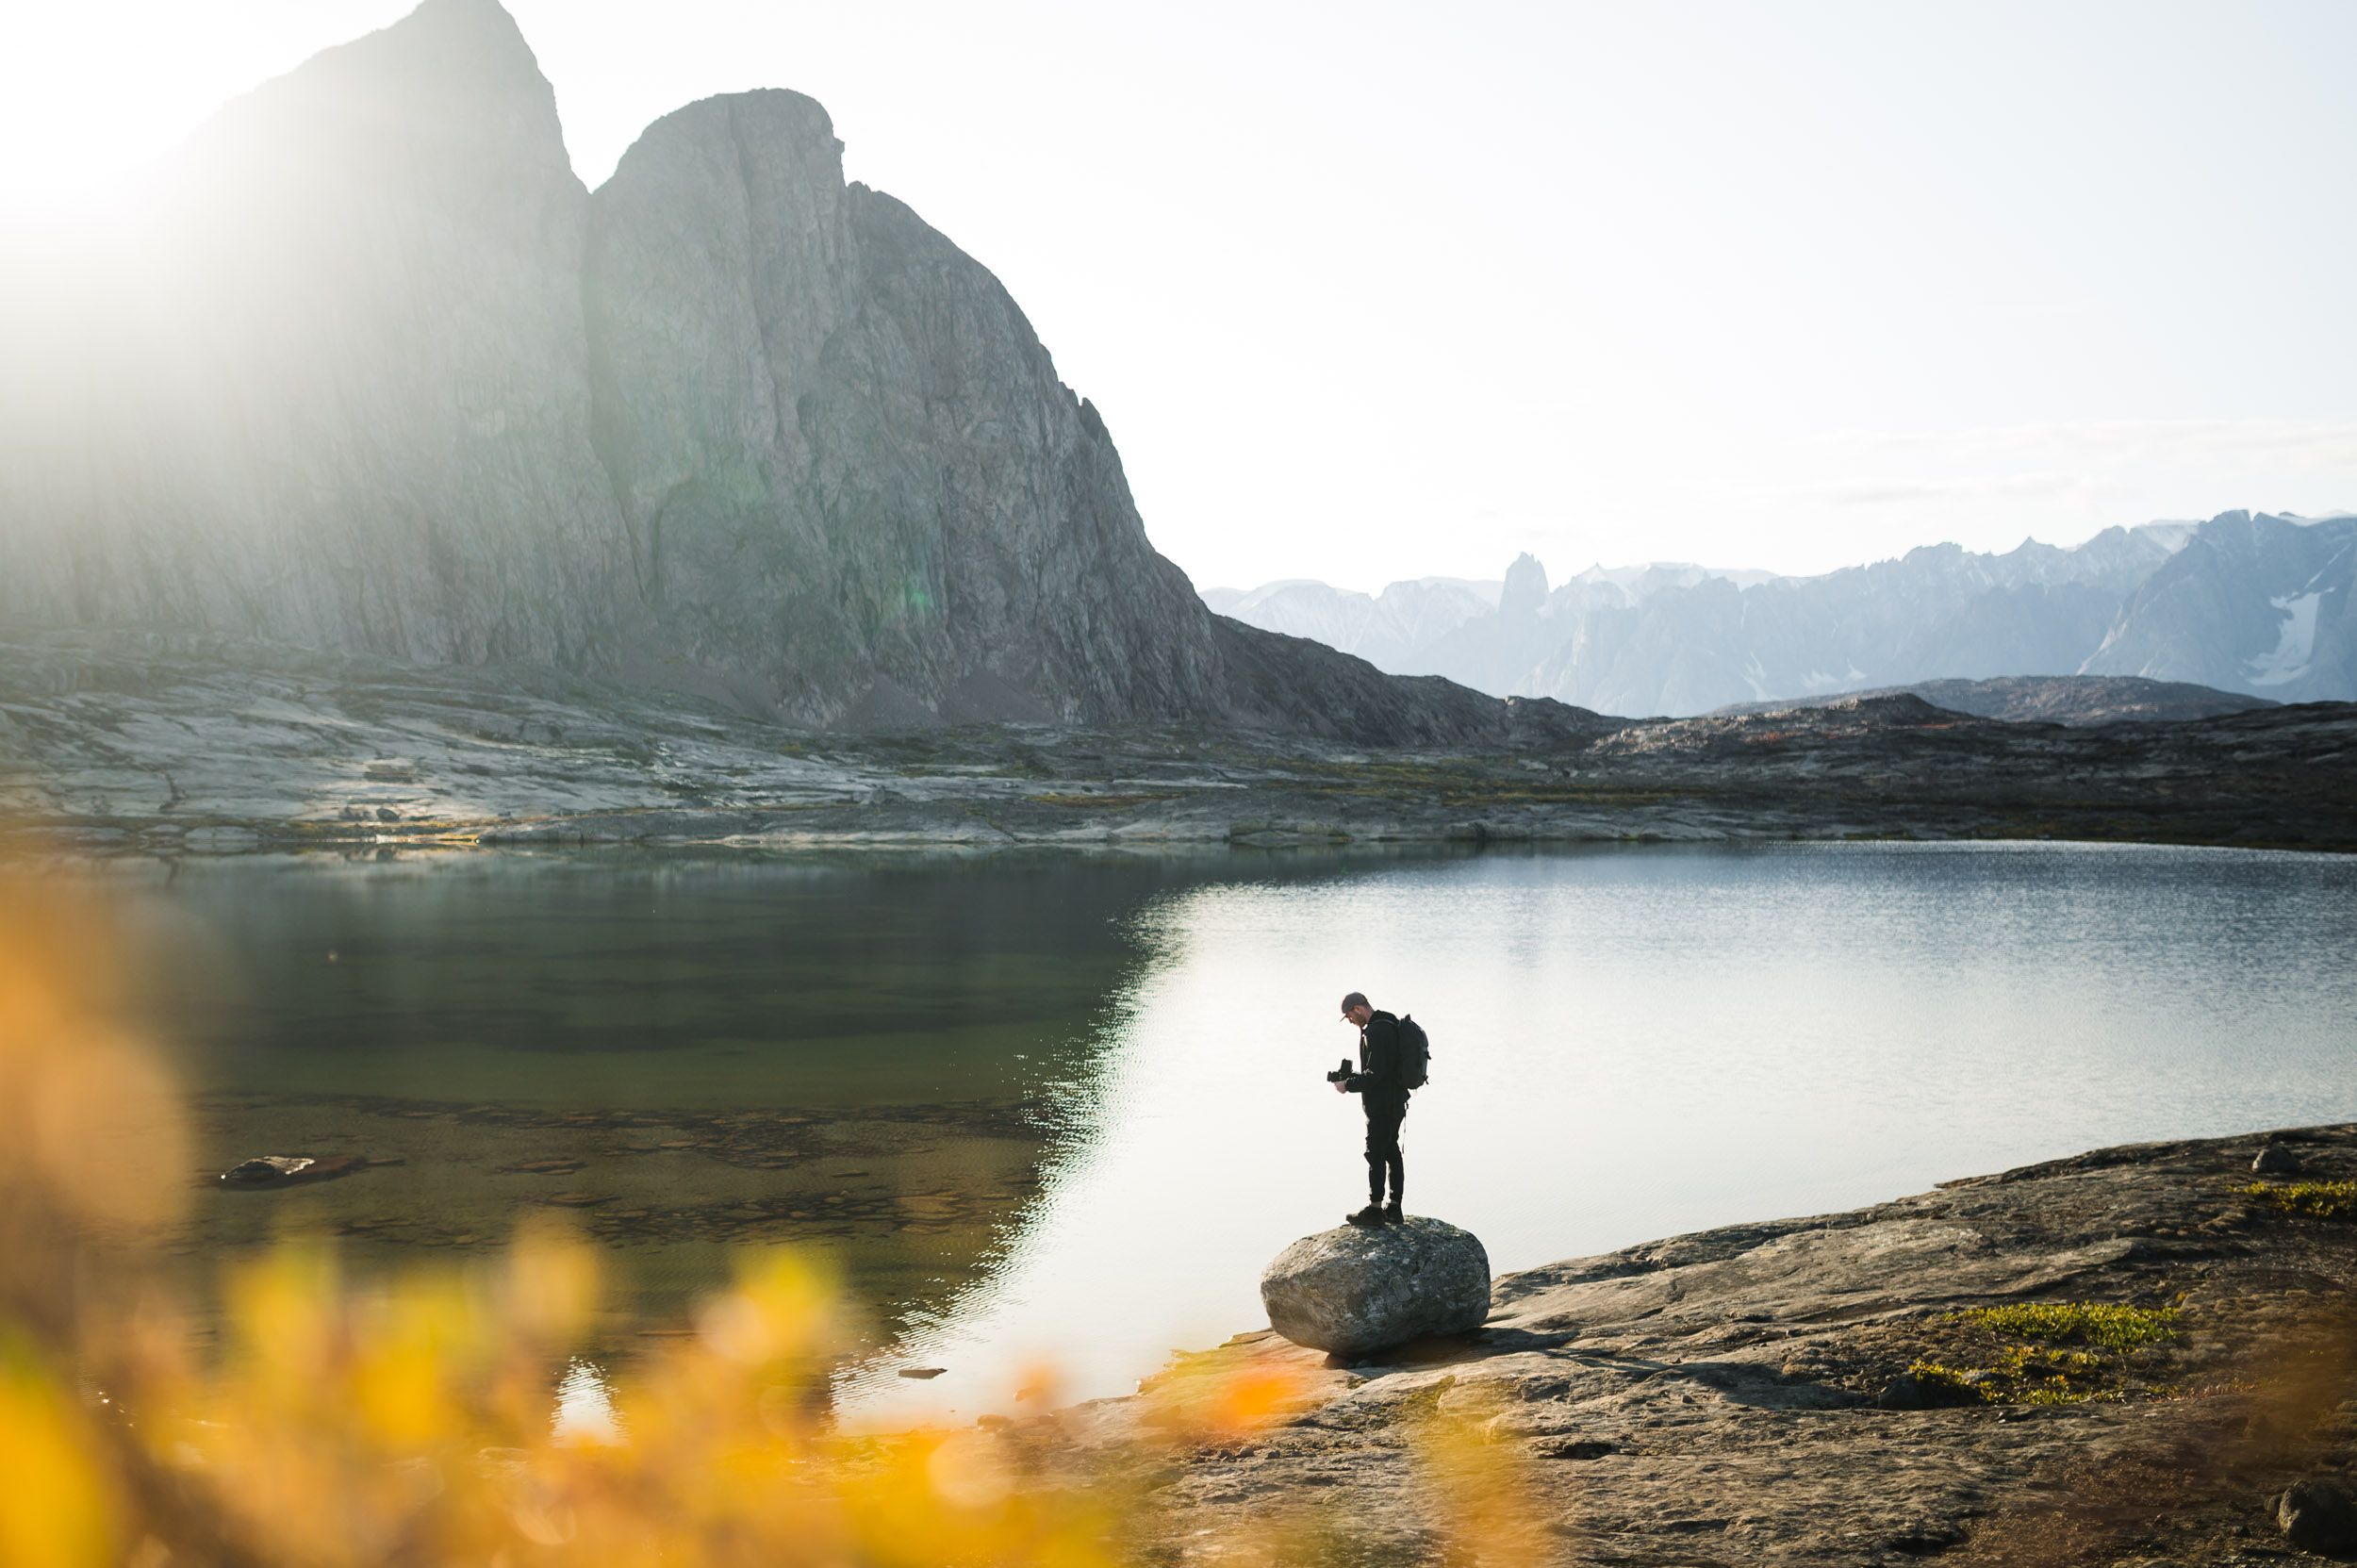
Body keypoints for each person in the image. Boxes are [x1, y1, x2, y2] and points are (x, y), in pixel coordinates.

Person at [1335, 990, 1408, 1226]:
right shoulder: (1389, 1021)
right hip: (1396, 1101)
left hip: (1382, 1106)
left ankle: (1375, 1211)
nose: (1350, 1022)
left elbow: (1375, 1075)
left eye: (1349, 1017)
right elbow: (1384, 1070)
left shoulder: (1375, 1032)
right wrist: (1356, 1078)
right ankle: (1394, 1208)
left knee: (1375, 1153)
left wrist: (1347, 1084)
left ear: (1358, 1008)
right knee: (1391, 1152)